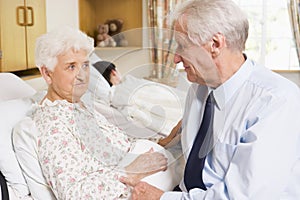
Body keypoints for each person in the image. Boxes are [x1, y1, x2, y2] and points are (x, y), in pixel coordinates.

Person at [120, 0, 300, 199]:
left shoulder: (276, 102)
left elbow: (242, 196)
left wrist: (161, 198)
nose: (175, 58)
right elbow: (195, 150)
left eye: (182, 45)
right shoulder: (199, 88)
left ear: (215, 44)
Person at [12, 27, 168, 199]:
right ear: (47, 74)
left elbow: (120, 144)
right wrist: (130, 171)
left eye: (85, 65)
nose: (82, 75)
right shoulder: (52, 124)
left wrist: (164, 142)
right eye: (71, 67)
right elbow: (74, 194)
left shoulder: (80, 105)